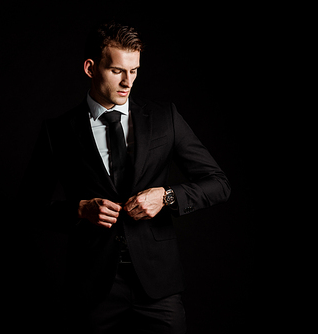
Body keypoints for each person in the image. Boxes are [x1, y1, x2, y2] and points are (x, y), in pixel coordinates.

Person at [21, 21, 231, 334]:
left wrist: (166, 196)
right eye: (117, 70)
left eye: (134, 71)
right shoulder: (58, 132)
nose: (127, 81)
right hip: (92, 289)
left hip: (158, 286)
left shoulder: (164, 118)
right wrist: (79, 210)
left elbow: (219, 183)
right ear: (91, 68)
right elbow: (29, 206)